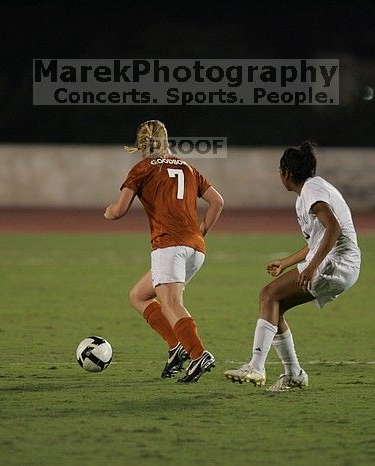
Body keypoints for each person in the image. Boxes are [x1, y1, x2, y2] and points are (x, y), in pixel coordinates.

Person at [224, 141, 360, 391]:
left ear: (285, 173)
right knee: (275, 308)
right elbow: (318, 240)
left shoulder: (311, 189)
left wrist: (311, 268)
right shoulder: (311, 190)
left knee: (268, 294)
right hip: (339, 262)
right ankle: (294, 374)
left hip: (336, 262)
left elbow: (334, 228)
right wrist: (287, 263)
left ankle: (256, 366)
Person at [104, 120, 224, 383]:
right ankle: (177, 345)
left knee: (171, 304)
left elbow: (120, 210)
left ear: (139, 145)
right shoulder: (188, 167)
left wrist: (109, 212)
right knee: (139, 296)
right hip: (195, 248)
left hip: (169, 245)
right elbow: (217, 201)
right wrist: (202, 230)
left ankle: (198, 354)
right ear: (166, 141)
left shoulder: (142, 168)